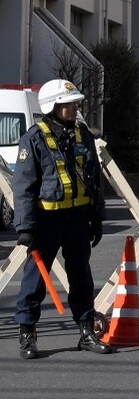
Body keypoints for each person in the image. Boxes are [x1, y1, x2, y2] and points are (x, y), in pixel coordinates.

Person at [13, 79, 112, 359]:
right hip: (46, 220)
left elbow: (94, 180)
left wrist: (97, 217)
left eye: (75, 102)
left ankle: (86, 332)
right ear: (53, 106)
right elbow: (24, 186)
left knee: (81, 276)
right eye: (69, 103)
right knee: (34, 281)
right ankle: (27, 334)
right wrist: (26, 228)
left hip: (78, 217)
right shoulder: (34, 138)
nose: (75, 106)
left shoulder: (83, 135)